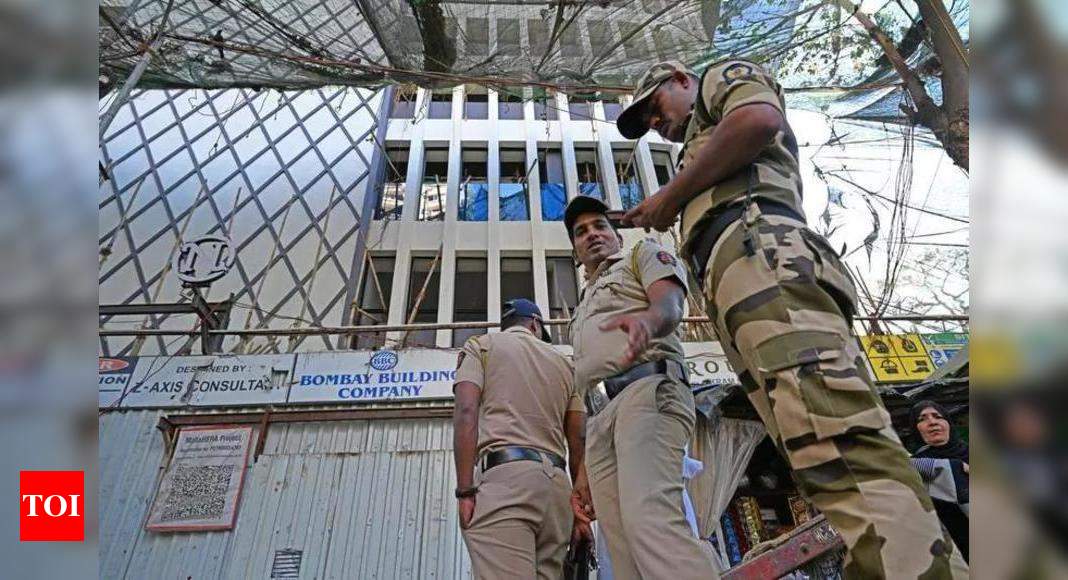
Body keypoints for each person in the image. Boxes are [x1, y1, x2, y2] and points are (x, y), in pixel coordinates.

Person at [616, 59, 965, 578]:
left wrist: (669, 196)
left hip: (766, 264)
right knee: (819, 458)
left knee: (838, 441)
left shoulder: (720, 78)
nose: (654, 124)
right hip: (744, 282)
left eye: (652, 106)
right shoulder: (700, 146)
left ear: (680, 79)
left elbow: (758, 120)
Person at [564, 195, 719, 579]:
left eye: (600, 226)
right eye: (581, 232)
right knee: (621, 547)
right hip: (601, 419)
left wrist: (649, 322)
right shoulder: (582, 306)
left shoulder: (641, 255)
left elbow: (669, 307)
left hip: (648, 392)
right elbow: (586, 386)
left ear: (616, 236)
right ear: (575, 249)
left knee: (650, 521)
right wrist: (581, 469)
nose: (592, 235)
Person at [452, 298, 590, 579]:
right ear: (535, 324)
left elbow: (466, 411)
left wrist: (465, 492)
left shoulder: (482, 346)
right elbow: (579, 440)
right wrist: (579, 509)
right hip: (557, 491)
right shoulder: (566, 365)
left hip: (507, 481)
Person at [910, 401, 970, 561]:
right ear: (916, 430)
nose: (932, 422)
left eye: (938, 416)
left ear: (948, 423)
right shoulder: (917, 466)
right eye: (922, 419)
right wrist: (953, 467)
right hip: (957, 553)